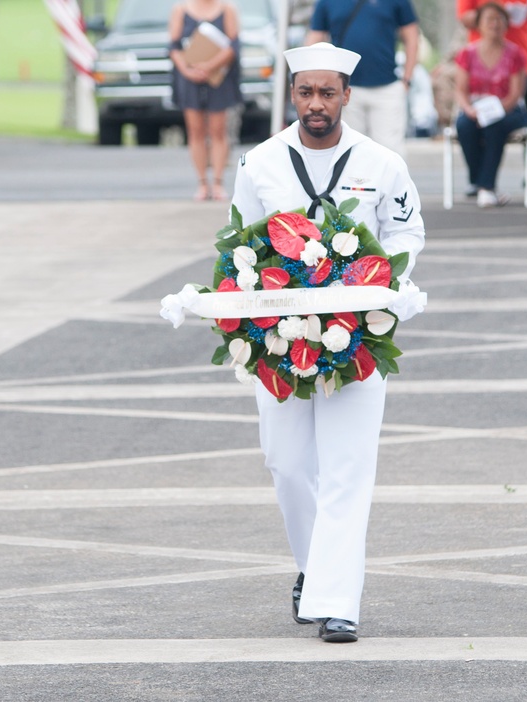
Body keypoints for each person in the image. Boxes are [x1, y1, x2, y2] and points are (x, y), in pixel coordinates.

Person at [231, 42, 425, 644]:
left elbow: (407, 229)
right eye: (306, 91)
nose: (316, 104)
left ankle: (338, 600)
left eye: (328, 92)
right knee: (286, 463)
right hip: (280, 341)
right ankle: (315, 569)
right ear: (292, 95)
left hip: (360, 336)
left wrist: (384, 278)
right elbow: (238, 246)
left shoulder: (381, 162)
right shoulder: (259, 163)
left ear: (346, 95)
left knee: (347, 467)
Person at [458, 0, 527, 197]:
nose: (495, 23)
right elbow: (463, 16)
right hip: (482, 65)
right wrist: (491, 15)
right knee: (468, 124)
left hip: (524, 60)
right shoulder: (468, 54)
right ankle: (480, 180)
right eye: (490, 20)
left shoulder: (516, 55)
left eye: (499, 20)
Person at [304, 0, 420, 158]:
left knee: (390, 153)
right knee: (349, 152)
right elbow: (315, 38)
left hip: (387, 87)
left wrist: (407, 79)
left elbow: (412, 36)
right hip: (345, 90)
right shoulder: (326, 2)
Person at [168, 0, 242, 201]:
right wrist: (187, 70)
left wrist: (210, 66)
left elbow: (233, 45)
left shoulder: (227, 9)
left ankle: (217, 183)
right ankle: (202, 183)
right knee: (195, 130)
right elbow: (174, 46)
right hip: (189, 79)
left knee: (218, 130)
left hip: (219, 78)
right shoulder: (180, 10)